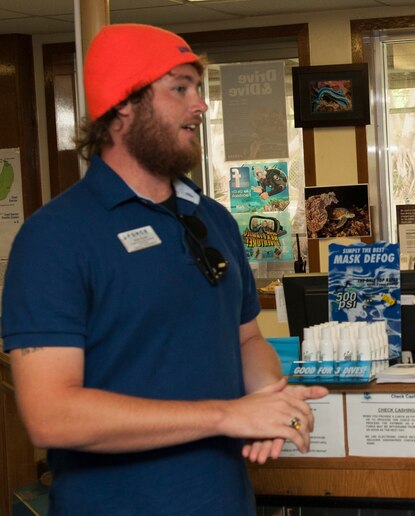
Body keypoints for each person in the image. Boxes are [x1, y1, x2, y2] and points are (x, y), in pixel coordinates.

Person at [1, 24, 328, 515]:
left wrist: (271, 401)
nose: (201, 105)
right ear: (123, 105)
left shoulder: (213, 219)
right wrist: (227, 415)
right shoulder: (55, 238)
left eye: (198, 88)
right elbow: (52, 416)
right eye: (180, 88)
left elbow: (246, 340)